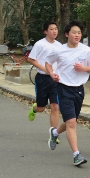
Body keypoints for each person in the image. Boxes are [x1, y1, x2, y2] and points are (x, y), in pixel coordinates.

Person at [45, 20, 90, 166]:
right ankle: (76, 155)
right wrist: (51, 74)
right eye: (74, 32)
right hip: (63, 88)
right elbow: (48, 63)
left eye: (79, 33)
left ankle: (54, 133)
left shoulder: (86, 50)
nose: (77, 35)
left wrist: (83, 68)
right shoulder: (59, 50)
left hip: (79, 89)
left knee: (70, 121)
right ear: (67, 34)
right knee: (72, 122)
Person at [27, 21, 62, 150]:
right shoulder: (40, 44)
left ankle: (54, 134)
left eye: (56, 29)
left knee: (55, 106)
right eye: (51, 29)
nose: (54, 31)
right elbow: (30, 59)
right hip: (42, 78)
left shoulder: (60, 46)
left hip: (55, 80)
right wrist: (44, 68)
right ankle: (34, 108)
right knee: (41, 108)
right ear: (46, 31)